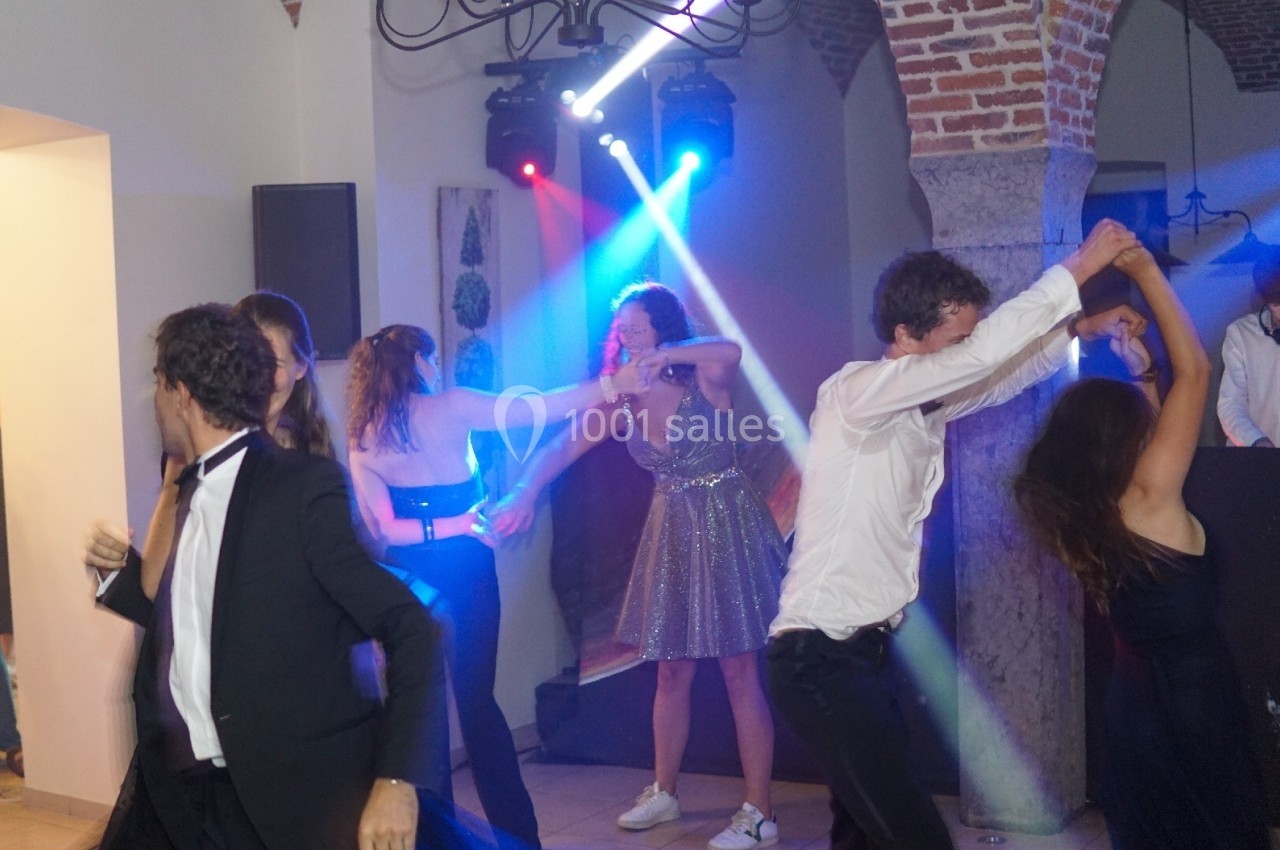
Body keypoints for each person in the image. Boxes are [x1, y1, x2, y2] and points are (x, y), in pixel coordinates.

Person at [764, 219, 1146, 850]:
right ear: (906, 336)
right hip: (816, 661)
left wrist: (1079, 331)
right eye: (955, 338)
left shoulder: (922, 407)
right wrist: (1080, 265)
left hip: (861, 657)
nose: (967, 349)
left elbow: (998, 377)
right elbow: (985, 357)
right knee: (914, 836)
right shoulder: (855, 393)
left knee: (863, 833)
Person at [86, 304, 441, 850]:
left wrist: (396, 781)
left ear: (180, 393)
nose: (153, 401)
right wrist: (112, 573)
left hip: (284, 798)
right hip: (188, 794)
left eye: (157, 383)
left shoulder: (299, 488)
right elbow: (184, 619)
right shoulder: (185, 488)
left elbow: (410, 626)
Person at [488, 284, 788, 850]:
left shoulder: (702, 376)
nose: (628, 337)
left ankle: (758, 813)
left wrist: (668, 355)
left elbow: (730, 351)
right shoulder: (621, 399)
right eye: (621, 329)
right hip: (670, 527)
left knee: (738, 671)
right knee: (670, 670)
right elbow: (559, 450)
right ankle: (665, 791)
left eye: (638, 326)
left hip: (725, 521)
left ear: (663, 327)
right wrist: (523, 493)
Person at [345, 324, 647, 850]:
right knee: (477, 702)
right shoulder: (451, 407)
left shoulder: (363, 434)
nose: (437, 369)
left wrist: (443, 528)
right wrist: (611, 384)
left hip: (407, 580)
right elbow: (536, 409)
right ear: (418, 361)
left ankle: (428, 840)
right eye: (432, 359)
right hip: (466, 570)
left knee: (417, 709)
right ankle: (520, 839)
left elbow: (384, 530)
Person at [1015, 247, 1271, 849]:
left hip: (1132, 710)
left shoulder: (1086, 513)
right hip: (1197, 705)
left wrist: (1141, 375)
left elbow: (1154, 443)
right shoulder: (1154, 495)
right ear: (1128, 442)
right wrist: (1146, 274)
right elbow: (1199, 374)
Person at [1217, 248, 1280, 447]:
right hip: (1257, 462)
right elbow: (1231, 404)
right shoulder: (1241, 333)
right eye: (1277, 304)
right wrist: (1256, 441)